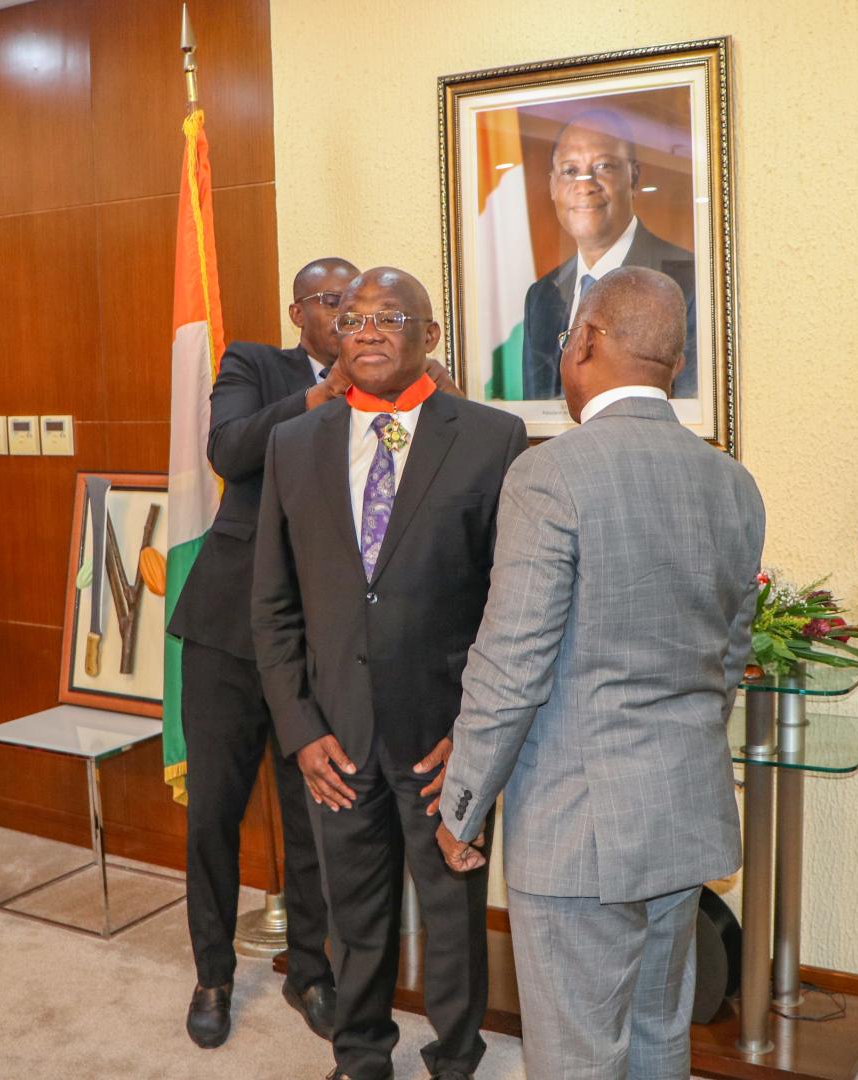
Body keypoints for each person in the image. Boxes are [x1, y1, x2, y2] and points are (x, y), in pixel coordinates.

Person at [437, 267, 765, 1079]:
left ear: (583, 341)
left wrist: (462, 805)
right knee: (657, 1032)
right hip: (681, 808)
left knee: (575, 1054)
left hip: (575, 825)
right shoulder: (732, 483)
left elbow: (512, 661)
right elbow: (727, 656)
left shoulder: (551, 471)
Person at [252, 268, 527, 1080]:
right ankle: (361, 1054)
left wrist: (475, 733)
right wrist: (300, 729)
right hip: (333, 736)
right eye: (351, 317)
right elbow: (271, 607)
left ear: (430, 337)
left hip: (443, 737)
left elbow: (509, 605)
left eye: (389, 317)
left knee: (451, 914)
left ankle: (454, 1057)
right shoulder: (292, 443)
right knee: (356, 914)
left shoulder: (490, 438)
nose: (365, 330)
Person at [167, 256, 359, 1048]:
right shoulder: (254, 362)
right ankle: (212, 974)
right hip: (226, 630)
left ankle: (309, 973)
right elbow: (231, 450)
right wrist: (325, 390)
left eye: (357, 304)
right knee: (213, 812)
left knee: (312, 812)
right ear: (297, 314)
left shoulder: (387, 381)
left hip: (318, 639)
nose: (348, 317)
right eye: (329, 302)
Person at [521, 108, 698, 401]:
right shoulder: (540, 297)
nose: (585, 186)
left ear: (634, 177)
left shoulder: (688, 283)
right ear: (553, 186)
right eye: (570, 171)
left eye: (603, 166)